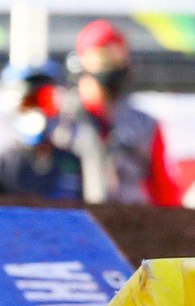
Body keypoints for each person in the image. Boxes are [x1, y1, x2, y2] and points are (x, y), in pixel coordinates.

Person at [62, 20, 182, 205]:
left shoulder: (144, 125)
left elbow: (165, 192)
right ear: (81, 61)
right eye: (103, 58)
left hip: (130, 225)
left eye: (117, 58)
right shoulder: (59, 119)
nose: (111, 67)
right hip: (72, 223)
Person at [0, 60, 86, 200]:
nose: (38, 110)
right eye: (29, 102)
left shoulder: (70, 162)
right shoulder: (3, 163)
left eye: (46, 101)